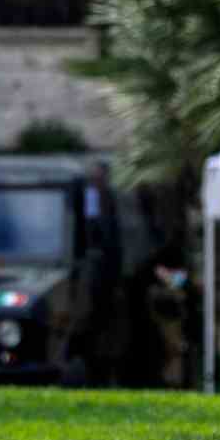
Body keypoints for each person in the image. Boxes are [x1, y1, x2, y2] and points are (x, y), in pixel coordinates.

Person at [81, 161, 124, 385]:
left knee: (106, 327)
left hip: (107, 275)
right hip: (92, 276)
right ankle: (95, 373)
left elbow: (112, 239)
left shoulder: (108, 199)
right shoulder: (88, 198)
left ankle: (106, 374)